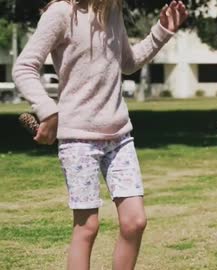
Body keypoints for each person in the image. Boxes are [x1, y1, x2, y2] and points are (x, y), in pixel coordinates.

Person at [12, 0, 188, 269]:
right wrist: (48, 111)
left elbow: (127, 63)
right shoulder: (61, 14)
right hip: (78, 140)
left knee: (135, 222)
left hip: (119, 136)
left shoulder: (112, 10)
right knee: (87, 227)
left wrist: (161, 31)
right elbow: (24, 67)